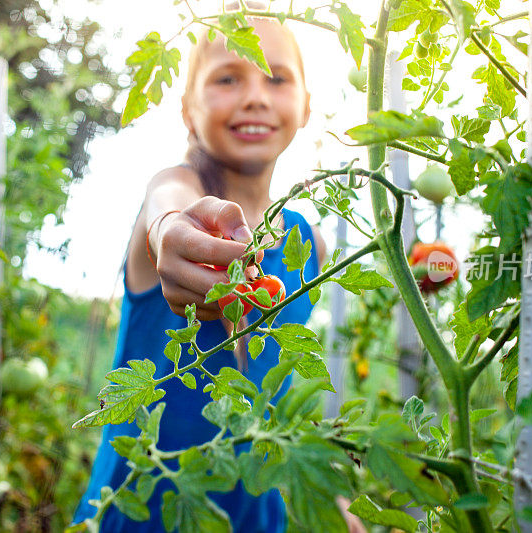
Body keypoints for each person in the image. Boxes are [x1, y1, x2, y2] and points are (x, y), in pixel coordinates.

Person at [73, 10, 366, 533]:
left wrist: (332, 500)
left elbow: (270, 393)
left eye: (276, 78)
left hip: (250, 516)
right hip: (139, 513)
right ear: (188, 109)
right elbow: (166, 205)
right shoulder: (176, 195)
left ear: (305, 107)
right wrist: (170, 228)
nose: (255, 96)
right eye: (228, 78)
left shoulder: (308, 245)